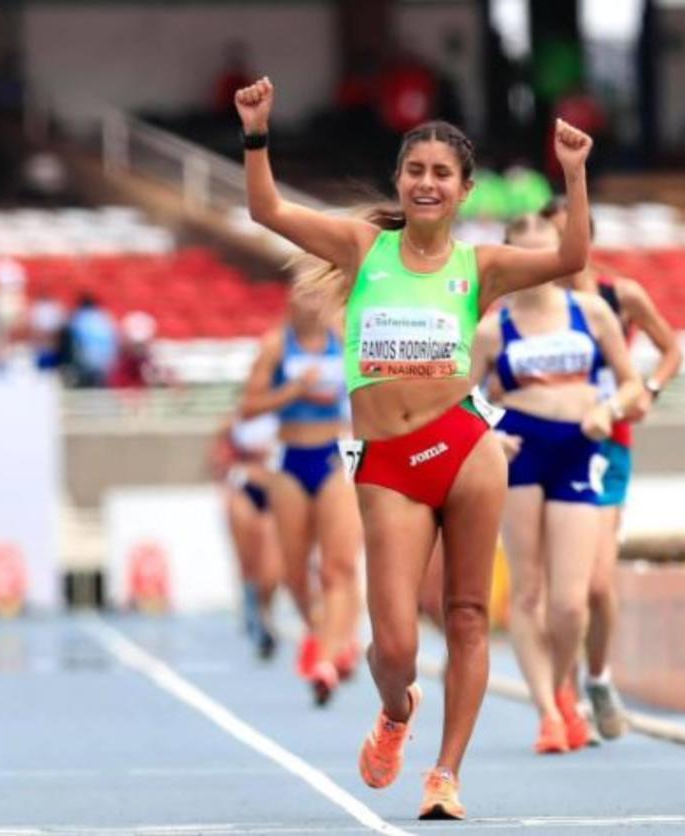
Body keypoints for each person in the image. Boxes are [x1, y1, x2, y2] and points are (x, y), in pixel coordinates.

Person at [236, 75, 592, 819]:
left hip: (465, 446)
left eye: (442, 174)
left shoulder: (481, 266)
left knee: (466, 614)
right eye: (416, 170)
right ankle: (397, 712)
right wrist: (257, 133)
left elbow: (569, 256)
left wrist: (574, 172)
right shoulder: (366, 248)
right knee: (393, 644)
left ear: (464, 191)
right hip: (389, 466)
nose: (427, 183)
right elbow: (265, 208)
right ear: (401, 179)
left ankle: (446, 775)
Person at [474, 212, 641, 754]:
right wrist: (487, 435)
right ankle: (548, 711)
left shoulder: (591, 312)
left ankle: (566, 686)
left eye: (545, 249)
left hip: (579, 447)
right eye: (523, 251)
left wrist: (610, 408)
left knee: (571, 603)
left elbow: (634, 385)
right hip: (520, 451)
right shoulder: (491, 327)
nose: (536, 261)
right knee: (528, 591)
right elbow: (457, 398)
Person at [542, 197, 683, 740]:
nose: (560, 247)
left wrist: (645, 390)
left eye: (568, 234)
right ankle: (561, 694)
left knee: (597, 585)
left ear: (586, 237)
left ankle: (597, 678)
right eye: (551, 237)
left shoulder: (618, 296)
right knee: (560, 589)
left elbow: (671, 349)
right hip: (548, 449)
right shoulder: (534, 305)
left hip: (607, 447)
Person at [239, 290, 362, 705]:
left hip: (333, 454)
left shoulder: (343, 339)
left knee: (337, 566)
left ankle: (329, 656)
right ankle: (320, 631)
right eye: (303, 296)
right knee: (294, 571)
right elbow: (249, 407)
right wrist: (293, 391)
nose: (312, 304)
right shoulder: (276, 346)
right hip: (291, 458)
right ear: (289, 302)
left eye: (318, 296)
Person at [210, 409, 282, 659]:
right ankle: (254, 613)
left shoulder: (285, 408)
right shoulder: (237, 418)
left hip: (275, 490)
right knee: (248, 561)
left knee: (272, 568)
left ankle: (265, 610)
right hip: (244, 489)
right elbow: (218, 459)